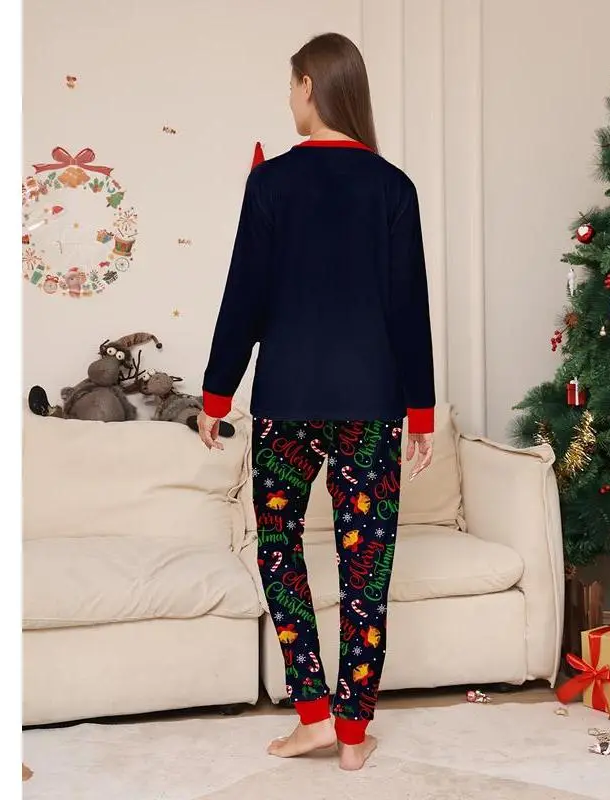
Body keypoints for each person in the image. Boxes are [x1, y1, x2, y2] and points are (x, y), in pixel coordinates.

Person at [196, 32, 435, 772]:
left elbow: (244, 296)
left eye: (291, 85)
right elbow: (410, 308)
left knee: (280, 549)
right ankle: (353, 734)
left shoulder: (271, 184)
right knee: (368, 568)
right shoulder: (394, 188)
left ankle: (313, 717)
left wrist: (216, 393)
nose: (289, 98)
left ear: (308, 86)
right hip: (372, 403)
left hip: (287, 402)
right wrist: (421, 411)